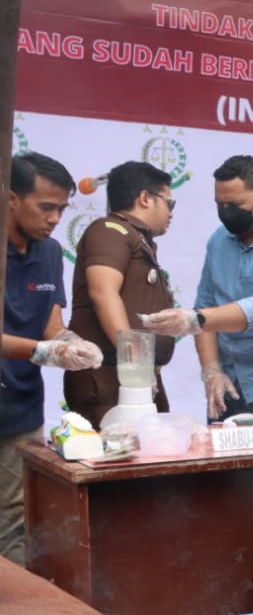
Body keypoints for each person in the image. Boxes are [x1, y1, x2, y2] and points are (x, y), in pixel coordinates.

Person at [142, 155, 253, 421]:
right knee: (219, 447)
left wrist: (194, 319)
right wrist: (212, 371)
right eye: (220, 204)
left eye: (235, 205)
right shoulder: (219, 240)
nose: (226, 212)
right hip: (228, 379)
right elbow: (206, 304)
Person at [2, 152, 101, 566]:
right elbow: (38, 345)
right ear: (11, 199)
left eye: (62, 209)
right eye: (46, 207)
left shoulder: (50, 252)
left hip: (20, 410)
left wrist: (69, 344)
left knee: (15, 519)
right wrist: (41, 351)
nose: (55, 218)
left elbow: (50, 325)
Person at [63, 161, 178, 427]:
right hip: (109, 377)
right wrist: (134, 359)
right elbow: (103, 292)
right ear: (145, 198)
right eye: (169, 203)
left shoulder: (135, 237)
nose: (171, 213)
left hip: (134, 378)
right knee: (113, 452)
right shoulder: (110, 231)